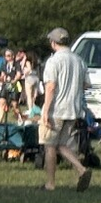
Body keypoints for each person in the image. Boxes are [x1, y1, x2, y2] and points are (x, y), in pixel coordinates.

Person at [38, 28, 91, 192]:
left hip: (57, 109)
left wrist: (45, 110)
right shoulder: (79, 60)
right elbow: (87, 85)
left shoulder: (53, 61)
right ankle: (81, 169)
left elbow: (51, 87)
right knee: (61, 145)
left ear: (53, 43)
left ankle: (51, 183)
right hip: (73, 109)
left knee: (50, 146)